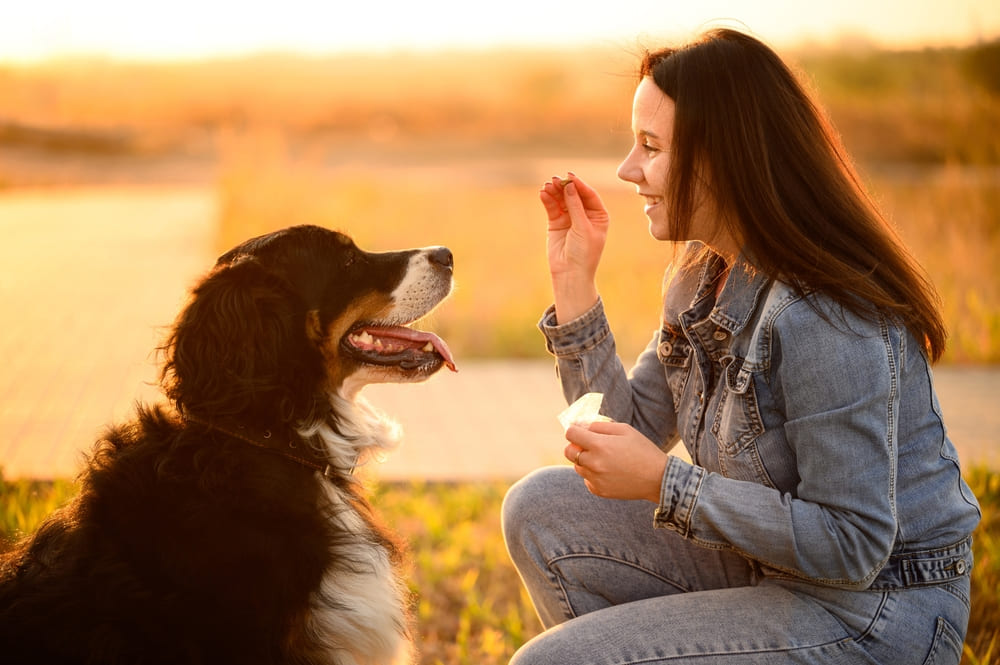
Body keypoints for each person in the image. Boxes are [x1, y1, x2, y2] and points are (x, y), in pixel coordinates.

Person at [501, 27, 981, 665]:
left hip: (881, 610)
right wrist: (574, 286)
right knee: (541, 507)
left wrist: (667, 485)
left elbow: (855, 543)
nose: (626, 170)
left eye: (650, 146)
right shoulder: (704, 274)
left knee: (552, 663)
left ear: (721, 158)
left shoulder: (825, 315)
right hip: (776, 572)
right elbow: (622, 434)